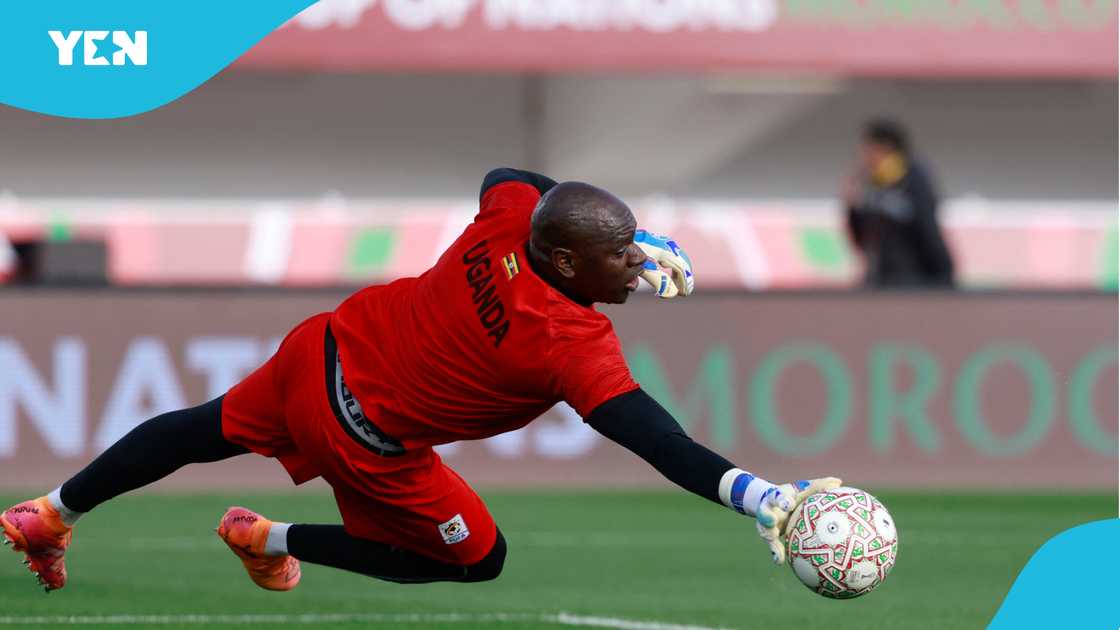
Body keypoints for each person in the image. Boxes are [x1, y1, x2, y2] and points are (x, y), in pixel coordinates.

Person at [2, 168, 839, 593]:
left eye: (637, 244)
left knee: (201, 428)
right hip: (363, 437)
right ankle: (269, 540)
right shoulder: (569, 342)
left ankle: (52, 513)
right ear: (562, 260)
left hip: (323, 347)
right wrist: (757, 496)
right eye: (621, 253)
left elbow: (506, 173)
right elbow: (658, 440)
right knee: (478, 562)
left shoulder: (515, 221)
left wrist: (632, 227)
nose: (639, 266)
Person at [843, 118, 955, 288]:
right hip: (880, 280)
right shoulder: (870, 182)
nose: (862, 154)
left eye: (867, 147)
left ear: (885, 147)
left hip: (913, 281)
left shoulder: (914, 177)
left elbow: (927, 228)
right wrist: (852, 208)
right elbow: (862, 240)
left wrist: (943, 275)